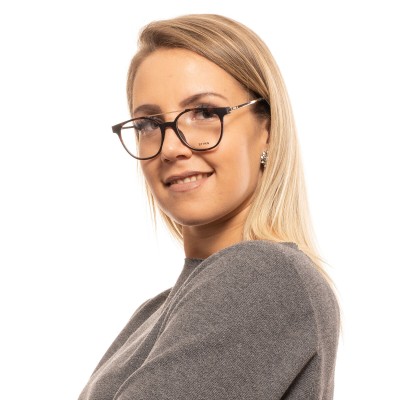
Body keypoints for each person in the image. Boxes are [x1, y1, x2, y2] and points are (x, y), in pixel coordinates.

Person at [78, 14, 340, 400]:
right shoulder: (154, 313)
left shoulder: (265, 276)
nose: (170, 148)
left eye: (204, 113)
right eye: (148, 123)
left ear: (267, 128)